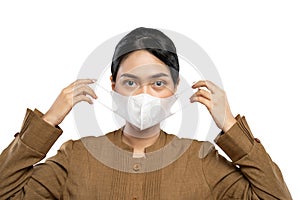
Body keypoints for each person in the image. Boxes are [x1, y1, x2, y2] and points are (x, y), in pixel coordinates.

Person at [0, 27, 292, 199]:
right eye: (130, 82)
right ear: (114, 85)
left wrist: (229, 124)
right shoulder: (78, 156)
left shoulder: (200, 159)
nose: (144, 94)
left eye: (158, 83)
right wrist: (48, 121)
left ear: (175, 89)